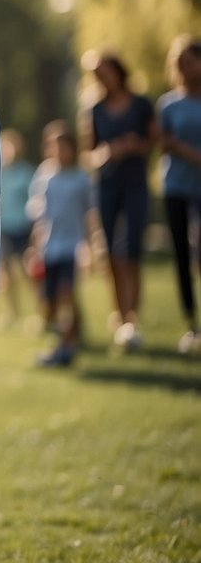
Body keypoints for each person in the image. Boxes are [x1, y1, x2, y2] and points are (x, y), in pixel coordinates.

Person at [78, 50, 156, 350]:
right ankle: (120, 314)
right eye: (96, 73)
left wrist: (137, 145)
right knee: (111, 251)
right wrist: (108, 152)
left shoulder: (140, 104)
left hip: (136, 184)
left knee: (132, 248)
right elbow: (88, 154)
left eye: (104, 70)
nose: (100, 77)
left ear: (118, 70)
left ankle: (131, 316)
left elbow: (154, 142)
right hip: (107, 187)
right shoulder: (93, 108)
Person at [26, 121, 92, 367]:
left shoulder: (80, 178)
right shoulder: (45, 176)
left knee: (66, 294)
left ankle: (65, 348)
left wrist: (91, 247)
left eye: (64, 147)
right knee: (50, 300)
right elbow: (38, 215)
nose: (59, 152)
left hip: (72, 245)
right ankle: (72, 332)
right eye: (55, 147)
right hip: (48, 247)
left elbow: (89, 214)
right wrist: (33, 247)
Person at [157, 35, 201, 355]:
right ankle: (191, 324)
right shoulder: (168, 104)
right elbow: (163, 142)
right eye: (179, 63)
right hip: (175, 187)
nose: (184, 68)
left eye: (189, 61)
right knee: (182, 257)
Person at [0, 129, 36, 323]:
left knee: (27, 270)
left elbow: (34, 201)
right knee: (5, 273)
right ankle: (13, 313)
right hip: (3, 228)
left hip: (22, 227)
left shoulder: (26, 172)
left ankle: (39, 311)